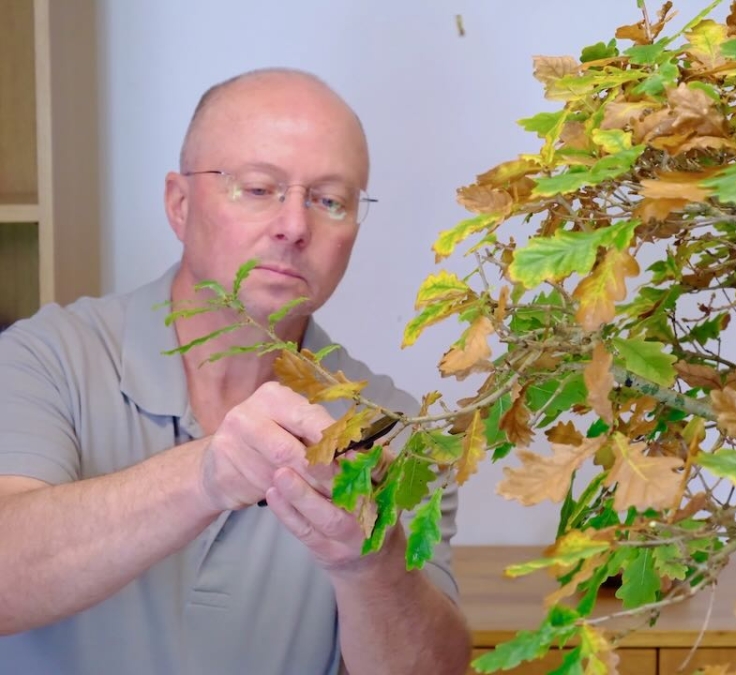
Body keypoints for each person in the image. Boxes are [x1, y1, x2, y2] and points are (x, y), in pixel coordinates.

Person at [0, 68, 471, 674]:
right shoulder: (45, 359)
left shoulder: (393, 428)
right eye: (257, 188)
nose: (295, 227)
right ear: (179, 203)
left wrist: (370, 566)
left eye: (330, 201)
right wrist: (207, 476)